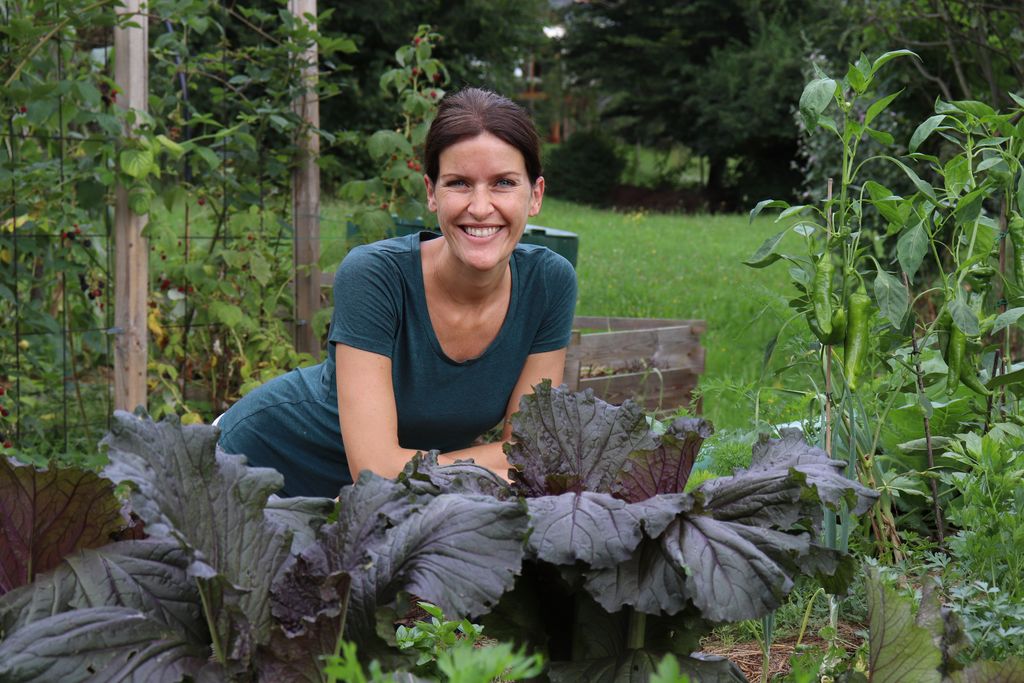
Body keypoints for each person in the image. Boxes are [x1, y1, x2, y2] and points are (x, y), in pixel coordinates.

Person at [216, 88, 578, 498]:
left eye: (503, 183)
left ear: (536, 195)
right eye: (458, 183)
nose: (480, 207)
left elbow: (530, 452)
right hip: (252, 465)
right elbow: (376, 472)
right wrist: (496, 461)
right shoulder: (377, 276)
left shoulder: (548, 283)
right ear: (430, 192)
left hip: (373, 506)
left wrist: (507, 460)